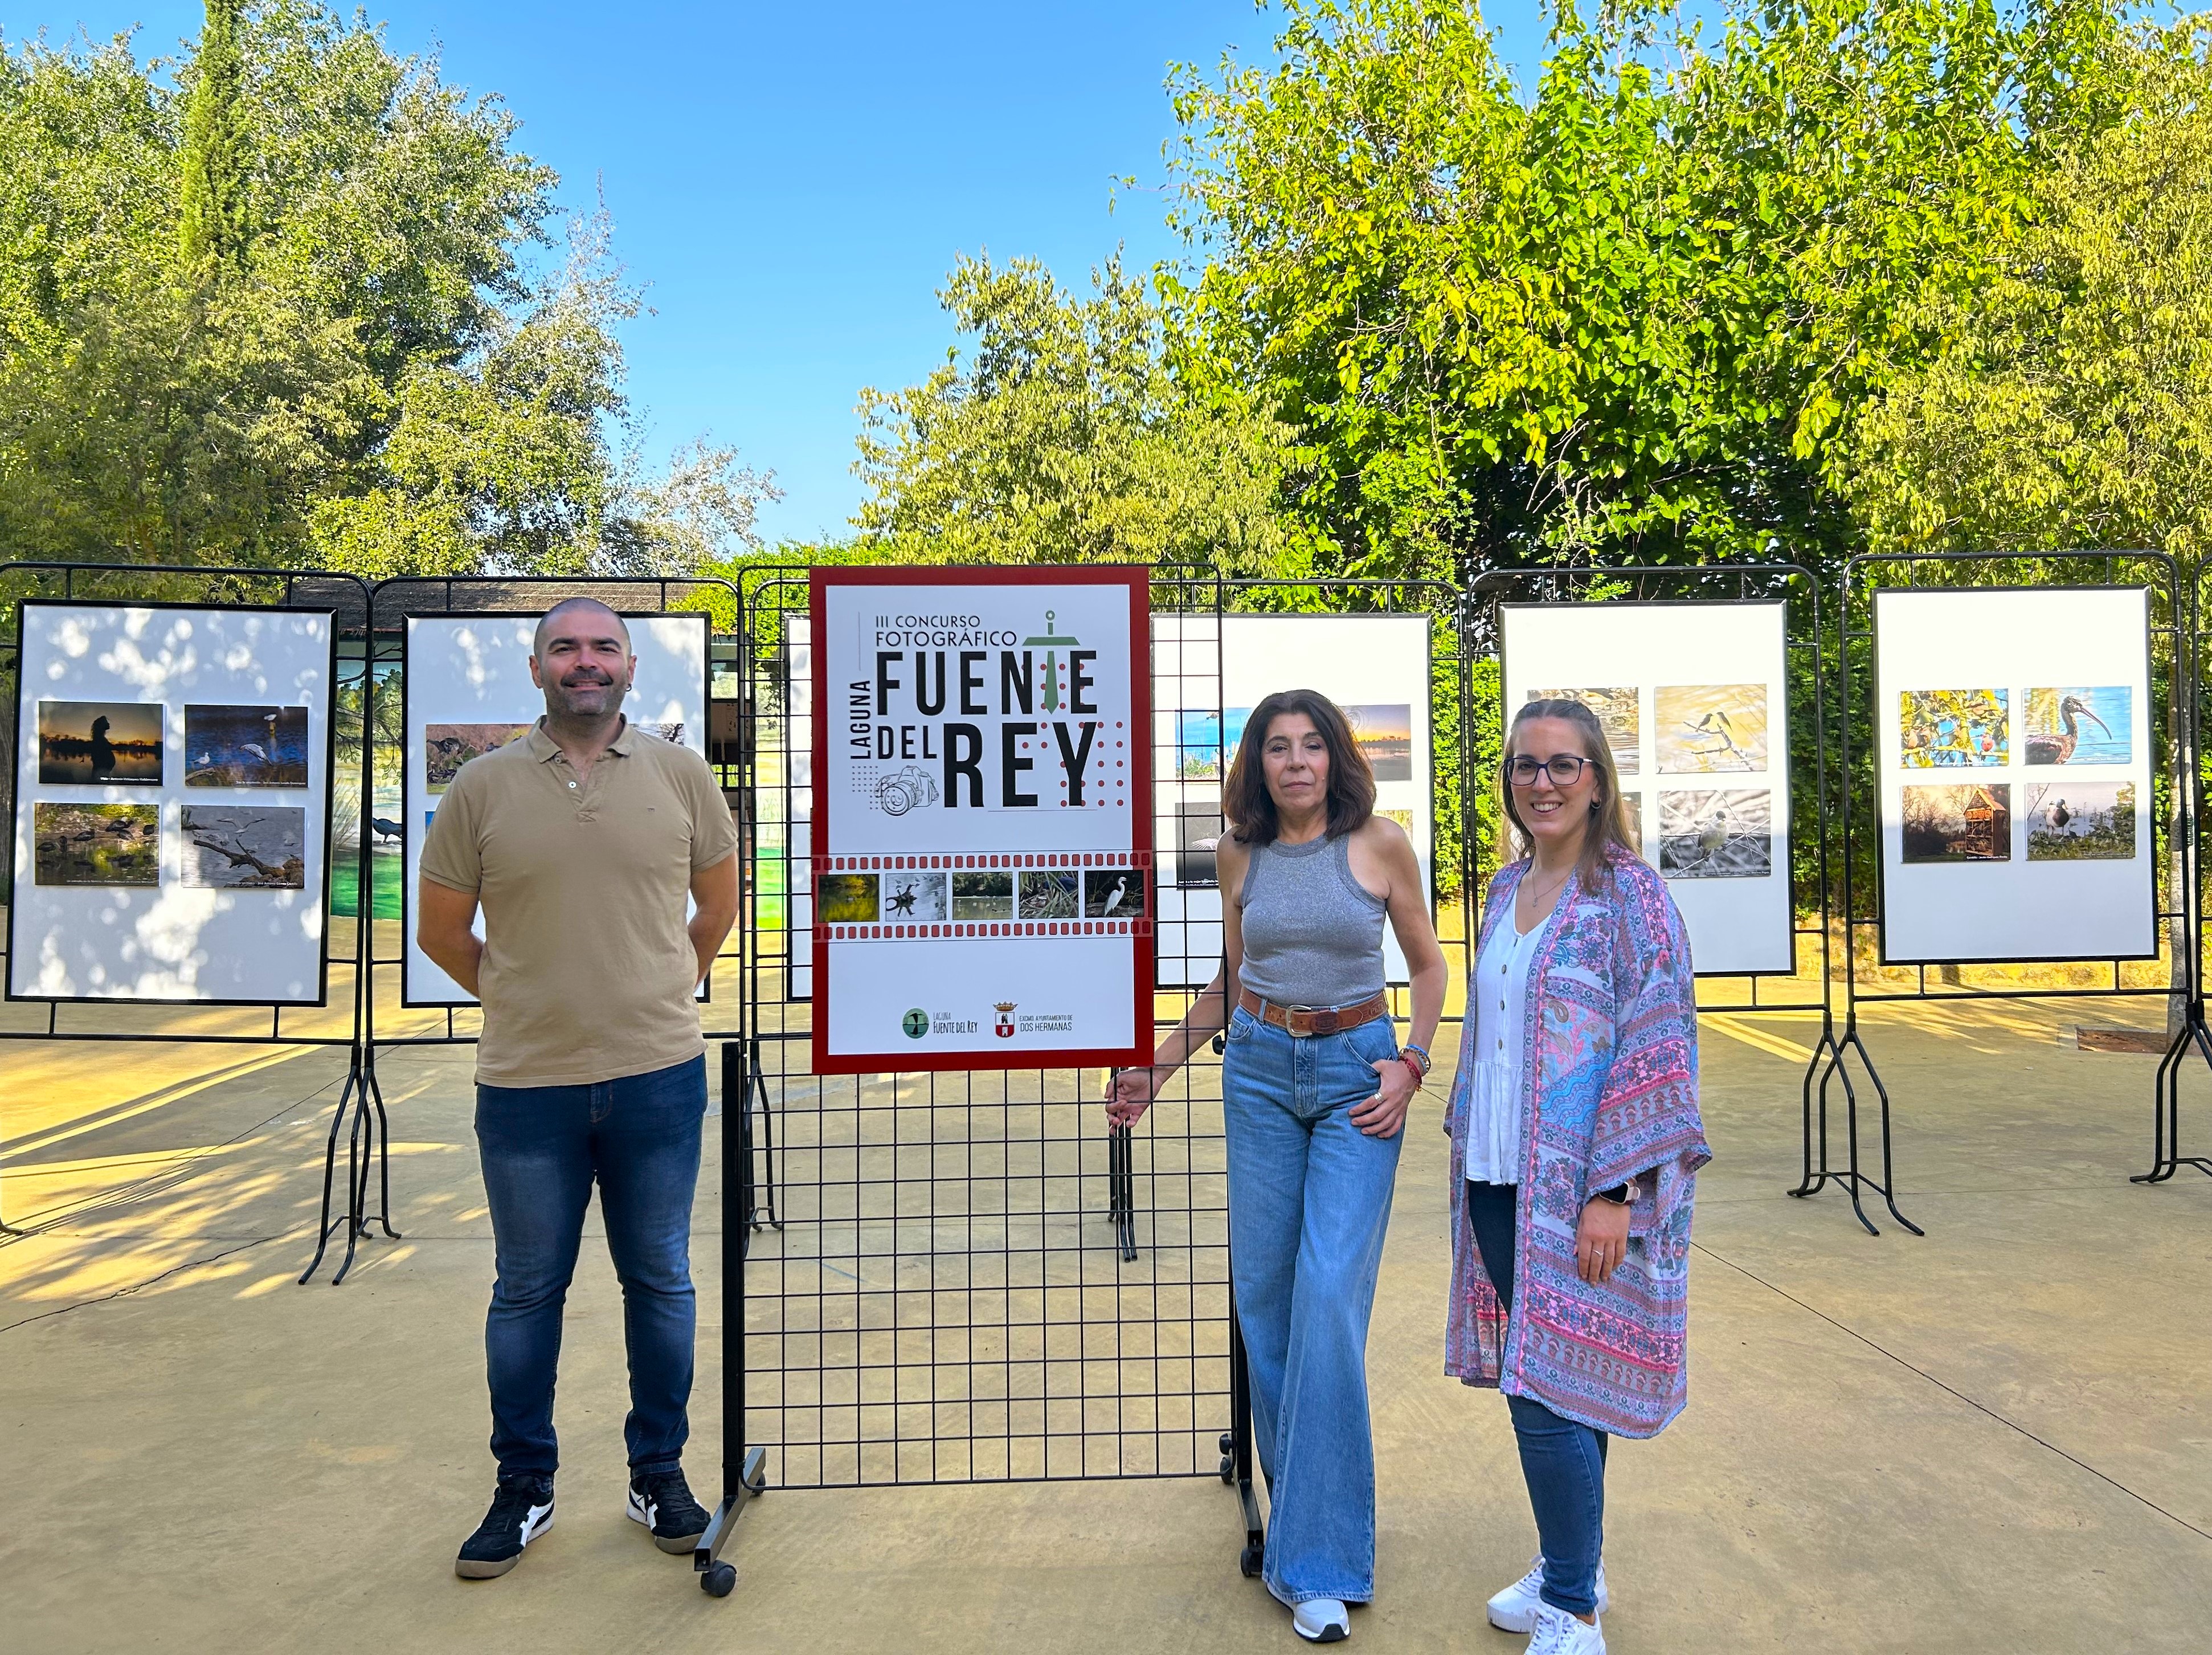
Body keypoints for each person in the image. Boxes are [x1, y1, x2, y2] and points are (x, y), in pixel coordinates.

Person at [1107, 689, 1446, 1643]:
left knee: (1329, 1293)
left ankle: (1320, 1561)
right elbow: (1231, 980)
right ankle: (1311, 1527)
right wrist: (1157, 1069)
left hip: (1356, 1078)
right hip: (1257, 1072)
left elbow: (1426, 965)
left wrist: (1413, 1061)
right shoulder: (1237, 854)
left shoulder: (1379, 844)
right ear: (1256, 764)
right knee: (1265, 1297)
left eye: (1312, 746)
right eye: (1277, 748)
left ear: (1336, 757)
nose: (1296, 762)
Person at [418, 596, 740, 1580]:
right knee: (526, 1292)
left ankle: (659, 1474)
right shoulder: (479, 787)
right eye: (566, 646)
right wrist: (525, 999)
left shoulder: (684, 778)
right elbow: (441, 931)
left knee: (661, 1283)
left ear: (631, 670)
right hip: (525, 1088)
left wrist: (649, 991)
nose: (585, 662)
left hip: (658, 1080)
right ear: (536, 668)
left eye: (604, 647)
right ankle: (526, 1486)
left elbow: (716, 908)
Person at [1449, 699, 1711, 1654]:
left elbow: (1659, 1040)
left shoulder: (1628, 895)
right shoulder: (1502, 888)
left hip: (1578, 1187)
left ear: (1598, 778)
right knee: (1558, 1376)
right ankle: (1579, 1563)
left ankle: (1574, 1610)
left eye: (1563, 764)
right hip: (1493, 1170)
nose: (1542, 781)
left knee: (1544, 1387)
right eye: (1526, 764)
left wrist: (1618, 1190)